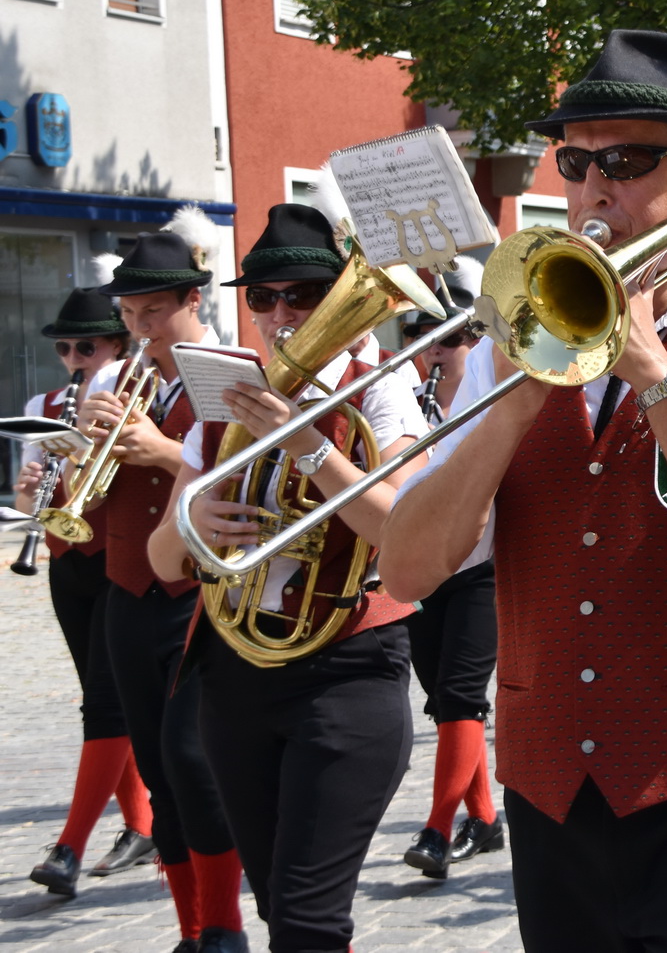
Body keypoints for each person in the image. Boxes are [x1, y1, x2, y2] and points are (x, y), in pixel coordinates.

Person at [377, 0, 667, 952]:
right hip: (550, 791)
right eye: (575, 160)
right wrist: (514, 394)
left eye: (627, 160)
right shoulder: (518, 336)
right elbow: (409, 568)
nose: (594, 188)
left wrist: (653, 368)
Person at [146, 203, 429, 951]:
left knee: (306, 917)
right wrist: (190, 521)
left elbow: (402, 528)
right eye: (262, 297)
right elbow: (159, 560)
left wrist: (305, 442)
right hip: (235, 673)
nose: (279, 314)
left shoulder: (381, 388)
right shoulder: (226, 389)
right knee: (278, 905)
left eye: (301, 295)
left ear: (339, 299)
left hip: (347, 670)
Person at [85, 216, 247, 953]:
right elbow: (84, 500)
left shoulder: (227, 371)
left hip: (196, 597)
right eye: (128, 315)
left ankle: (224, 926)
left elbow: (244, 479)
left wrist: (155, 449)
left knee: (192, 759)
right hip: (126, 588)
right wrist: (71, 456)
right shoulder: (113, 378)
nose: (140, 327)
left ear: (191, 300)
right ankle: (191, 930)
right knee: (155, 765)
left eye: (153, 311)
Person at [15, 287, 156, 897]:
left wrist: (81, 449)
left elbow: (105, 493)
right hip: (65, 564)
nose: (75, 358)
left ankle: (70, 846)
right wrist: (30, 488)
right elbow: (31, 509)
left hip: (115, 560)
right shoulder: (41, 404)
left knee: (103, 705)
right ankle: (141, 823)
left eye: (88, 347)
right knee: (105, 699)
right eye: (66, 347)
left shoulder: (127, 400)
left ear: (117, 347)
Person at [398, 256, 508, 877]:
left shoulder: (493, 391)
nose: (438, 351)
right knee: (442, 699)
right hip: (427, 563)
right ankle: (486, 819)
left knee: (462, 697)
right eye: (427, 338)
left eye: (455, 337)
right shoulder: (407, 402)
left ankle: (438, 830)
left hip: (484, 562)